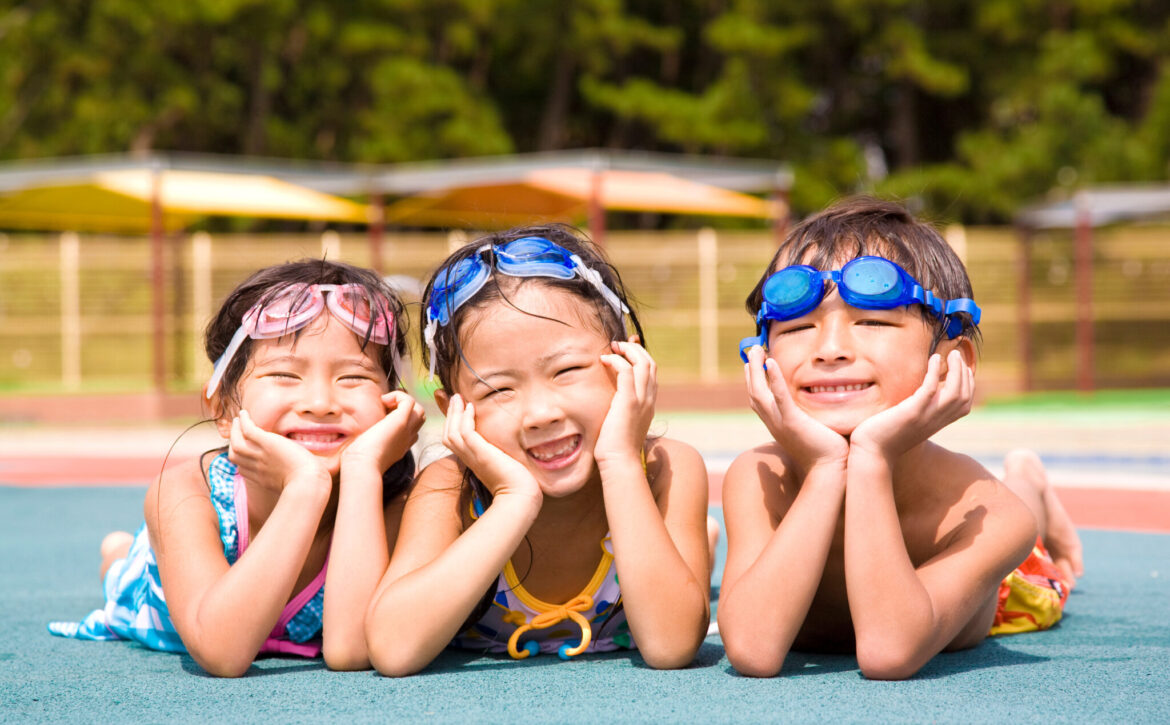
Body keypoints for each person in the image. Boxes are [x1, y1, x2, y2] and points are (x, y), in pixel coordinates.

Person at [717, 197, 1083, 680]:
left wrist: (870, 457)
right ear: (760, 360)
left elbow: (889, 651)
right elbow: (751, 649)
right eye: (800, 327)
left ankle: (1027, 480)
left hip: (1003, 595)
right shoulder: (762, 478)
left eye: (871, 322)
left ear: (955, 359)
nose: (829, 350)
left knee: (1030, 539)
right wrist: (828, 468)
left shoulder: (991, 514)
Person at [48, 259, 426, 677]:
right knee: (122, 572)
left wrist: (362, 469)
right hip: (153, 591)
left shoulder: (394, 500)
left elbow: (352, 649)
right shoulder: (186, 491)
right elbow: (222, 652)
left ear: (394, 404)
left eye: (353, 377)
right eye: (284, 374)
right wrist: (306, 486)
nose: (320, 402)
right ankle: (117, 551)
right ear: (224, 409)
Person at [364, 225, 711, 675]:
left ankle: (697, 538)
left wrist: (621, 462)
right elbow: (392, 650)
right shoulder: (450, 490)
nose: (539, 413)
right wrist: (513, 501)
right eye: (498, 390)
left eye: (566, 370)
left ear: (627, 362)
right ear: (454, 409)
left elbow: (671, 646)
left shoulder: (664, 470)